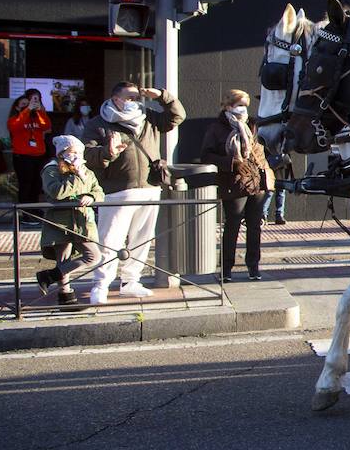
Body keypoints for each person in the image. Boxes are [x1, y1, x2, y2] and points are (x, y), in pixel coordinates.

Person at [83, 81, 186, 304]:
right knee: (110, 240)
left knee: (142, 238)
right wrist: (106, 153)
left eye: (137, 97)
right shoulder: (98, 123)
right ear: (115, 99)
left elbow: (177, 116)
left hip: (149, 187)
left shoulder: (148, 117)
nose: (135, 102)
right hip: (117, 190)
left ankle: (131, 281)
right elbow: (88, 154)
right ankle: (100, 284)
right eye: (130, 98)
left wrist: (161, 96)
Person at [200, 90, 273, 282]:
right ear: (228, 106)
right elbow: (206, 155)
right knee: (232, 226)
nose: (243, 109)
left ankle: (253, 266)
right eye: (239, 104)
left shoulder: (252, 124)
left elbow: (260, 150)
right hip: (233, 182)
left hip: (256, 181)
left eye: (246, 105)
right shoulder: (217, 127)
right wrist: (230, 162)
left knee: (255, 226)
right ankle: (226, 268)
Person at [35, 135, 104, 310]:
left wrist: (91, 196)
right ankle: (66, 298)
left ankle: (48, 276)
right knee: (63, 259)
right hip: (60, 222)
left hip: (82, 222)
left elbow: (99, 191)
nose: (75, 155)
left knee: (93, 256)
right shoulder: (51, 169)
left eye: (78, 152)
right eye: (72, 152)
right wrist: (76, 176)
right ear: (62, 152)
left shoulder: (86, 171)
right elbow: (56, 192)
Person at [8, 89, 53, 210]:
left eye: (27, 104)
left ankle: (34, 210)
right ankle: (25, 213)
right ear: (17, 108)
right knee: (25, 185)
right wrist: (27, 110)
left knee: (37, 185)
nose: (27, 106)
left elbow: (47, 125)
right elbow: (15, 125)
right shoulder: (14, 119)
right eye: (23, 105)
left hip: (38, 156)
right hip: (23, 157)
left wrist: (39, 111)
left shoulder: (37, 117)